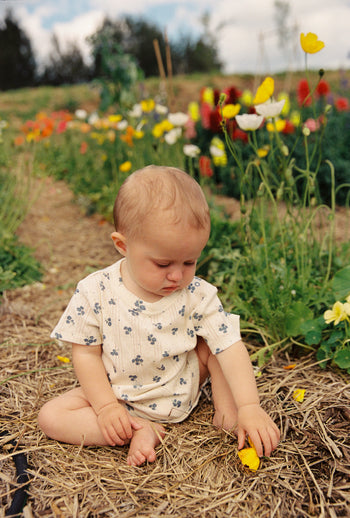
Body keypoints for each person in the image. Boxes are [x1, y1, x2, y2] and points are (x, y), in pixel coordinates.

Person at [38, 165, 280, 467]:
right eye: (163, 264)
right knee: (51, 417)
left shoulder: (197, 294)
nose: (177, 276)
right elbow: (85, 355)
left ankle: (228, 405)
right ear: (122, 246)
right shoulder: (95, 291)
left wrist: (250, 405)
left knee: (216, 341)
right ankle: (137, 429)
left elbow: (230, 346)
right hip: (119, 394)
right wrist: (106, 408)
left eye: (190, 261)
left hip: (182, 386)